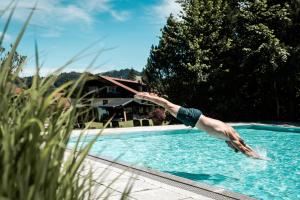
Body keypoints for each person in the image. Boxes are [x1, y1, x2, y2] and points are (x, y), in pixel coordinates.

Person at [134, 92, 265, 160]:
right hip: (193, 118)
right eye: (232, 147)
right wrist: (260, 159)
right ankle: (146, 96)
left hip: (197, 116)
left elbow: (244, 144)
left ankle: (148, 96)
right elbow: (244, 149)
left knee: (168, 105)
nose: (229, 146)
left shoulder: (233, 132)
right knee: (167, 104)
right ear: (233, 144)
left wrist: (255, 152)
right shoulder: (231, 137)